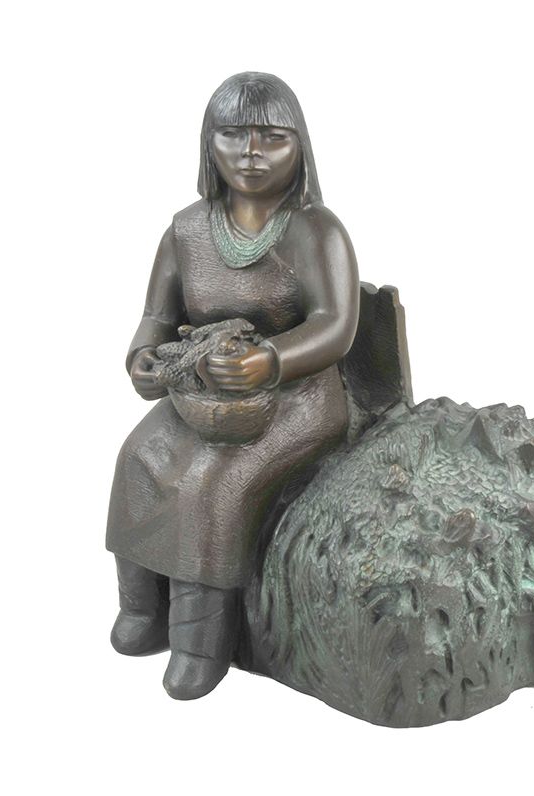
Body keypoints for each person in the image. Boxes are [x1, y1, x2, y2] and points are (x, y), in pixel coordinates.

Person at [106, 72, 360, 700]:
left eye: (272, 138)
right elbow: (157, 317)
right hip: (204, 392)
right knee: (138, 459)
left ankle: (201, 643)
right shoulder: (186, 231)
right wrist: (142, 357)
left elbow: (336, 326)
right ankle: (143, 607)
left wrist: (269, 359)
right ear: (208, 144)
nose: (251, 153)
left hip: (298, 397)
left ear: (300, 146)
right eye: (233, 136)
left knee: (213, 484)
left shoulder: (316, 232)